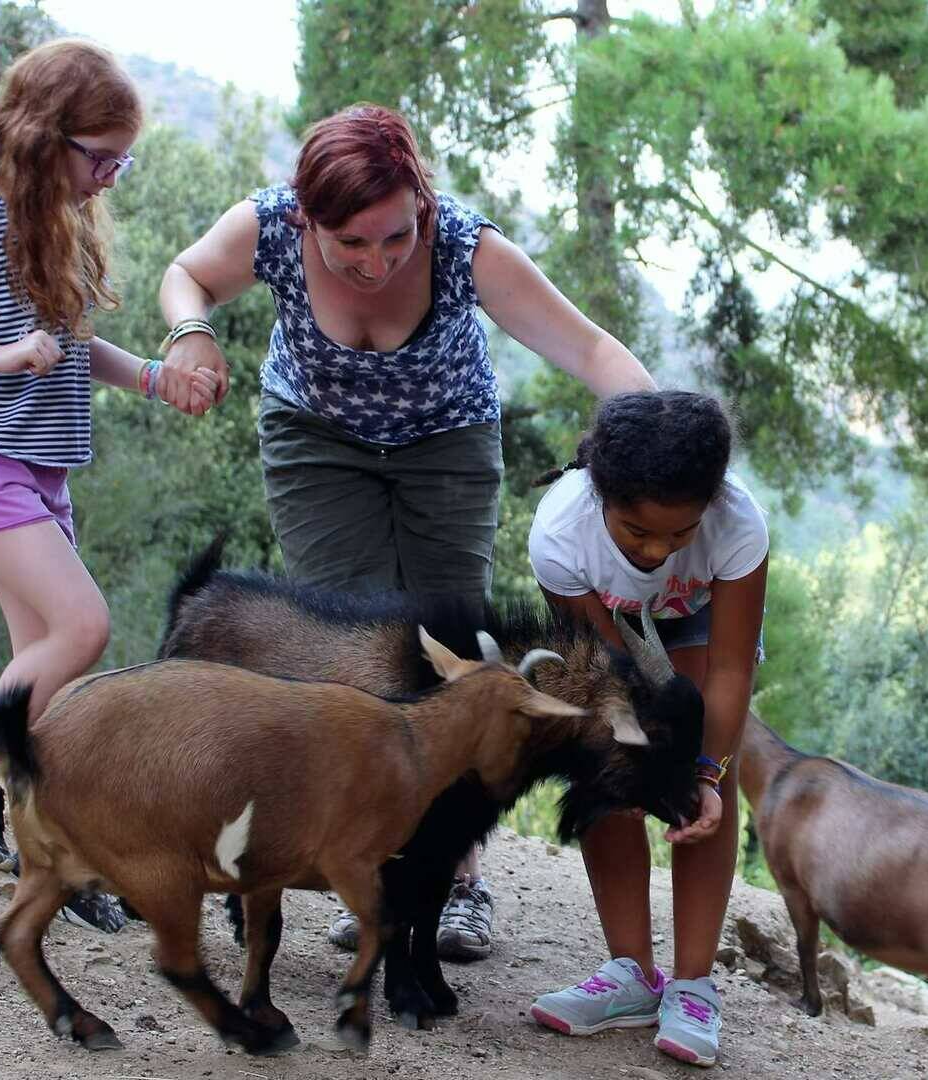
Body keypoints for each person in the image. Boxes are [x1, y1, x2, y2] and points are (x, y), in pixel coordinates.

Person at [156, 103, 655, 958]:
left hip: (447, 446)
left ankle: (457, 879)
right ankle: (375, 866)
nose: (377, 262)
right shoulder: (268, 228)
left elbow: (596, 354)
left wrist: (657, 451)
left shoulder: (465, 246)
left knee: (451, 653)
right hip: (315, 441)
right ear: (308, 218)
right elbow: (185, 275)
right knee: (352, 655)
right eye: (351, 244)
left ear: (421, 204)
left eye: (395, 236)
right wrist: (192, 333)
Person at [0, 39, 217, 932]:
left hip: (37, 470)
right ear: (42, 135)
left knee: (54, 679)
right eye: (98, 155)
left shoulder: (59, 221)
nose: (110, 175)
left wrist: (155, 375)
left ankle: (54, 852)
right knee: (82, 627)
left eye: (122, 158)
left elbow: (71, 347)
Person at [524, 390, 767, 1067]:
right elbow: (613, 675)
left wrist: (705, 773)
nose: (659, 549)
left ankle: (692, 986)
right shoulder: (560, 537)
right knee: (609, 761)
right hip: (613, 627)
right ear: (601, 497)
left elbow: (728, 670)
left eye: (680, 533)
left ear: (710, 506)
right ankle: (630, 973)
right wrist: (637, 759)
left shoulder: (738, 523)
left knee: (703, 785)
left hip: (700, 621)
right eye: (637, 533)